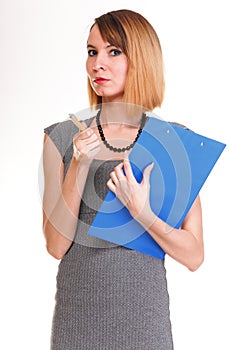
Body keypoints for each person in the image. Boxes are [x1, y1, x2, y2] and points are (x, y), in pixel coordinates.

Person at [42, 9, 204, 350]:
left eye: (113, 51)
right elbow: (55, 246)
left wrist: (142, 212)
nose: (97, 64)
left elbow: (194, 255)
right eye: (92, 51)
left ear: (141, 59)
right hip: (77, 325)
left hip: (145, 326)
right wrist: (80, 164)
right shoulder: (61, 137)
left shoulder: (172, 142)